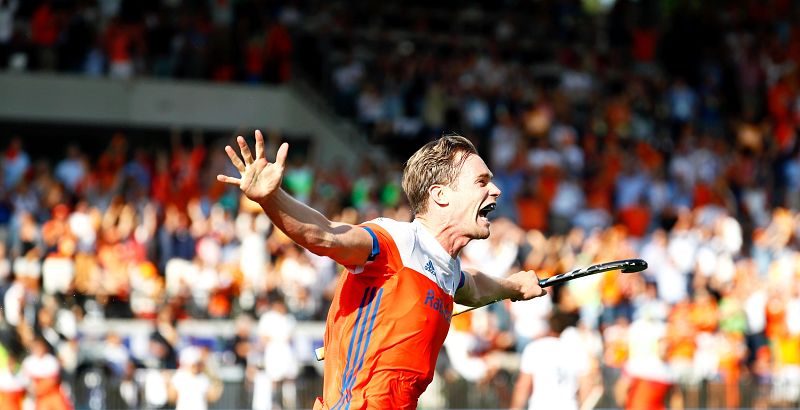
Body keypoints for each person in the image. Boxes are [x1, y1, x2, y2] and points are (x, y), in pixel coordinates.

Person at [218, 131, 547, 409]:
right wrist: (272, 199)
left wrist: (514, 288)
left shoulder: (447, 268)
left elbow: (472, 287)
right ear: (441, 195)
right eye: (481, 181)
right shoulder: (397, 240)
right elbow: (324, 233)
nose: (496, 190)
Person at [509, 312, 595, 410]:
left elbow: (523, 385)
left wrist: (515, 408)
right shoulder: (578, 350)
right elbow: (585, 387)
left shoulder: (535, 348)